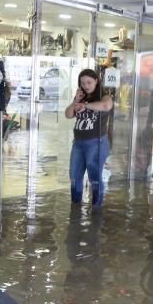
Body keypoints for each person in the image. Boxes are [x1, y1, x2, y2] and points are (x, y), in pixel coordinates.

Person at [65, 69, 113, 207]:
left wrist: (85, 106)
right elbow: (68, 115)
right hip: (78, 144)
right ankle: (75, 207)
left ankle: (97, 210)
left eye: (89, 82)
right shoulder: (81, 99)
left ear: (96, 81)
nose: (86, 85)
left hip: (96, 143)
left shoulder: (104, 97)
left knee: (95, 178)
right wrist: (76, 101)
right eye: (83, 83)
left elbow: (106, 106)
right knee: (74, 176)